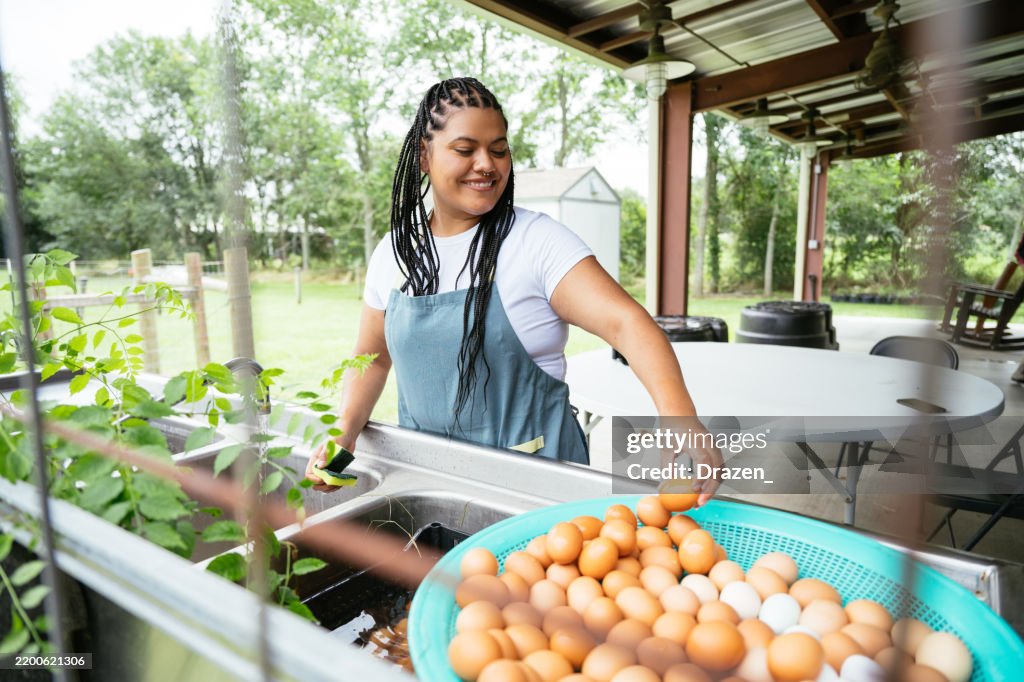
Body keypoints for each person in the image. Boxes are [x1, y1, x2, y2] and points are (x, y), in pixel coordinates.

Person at [305, 77, 721, 504]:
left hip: (536, 485)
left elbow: (627, 323)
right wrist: (345, 434)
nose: (487, 164)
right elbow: (371, 360)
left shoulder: (536, 242)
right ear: (424, 157)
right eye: (466, 150)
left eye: (499, 149)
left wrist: (680, 417)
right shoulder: (395, 252)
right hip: (429, 483)